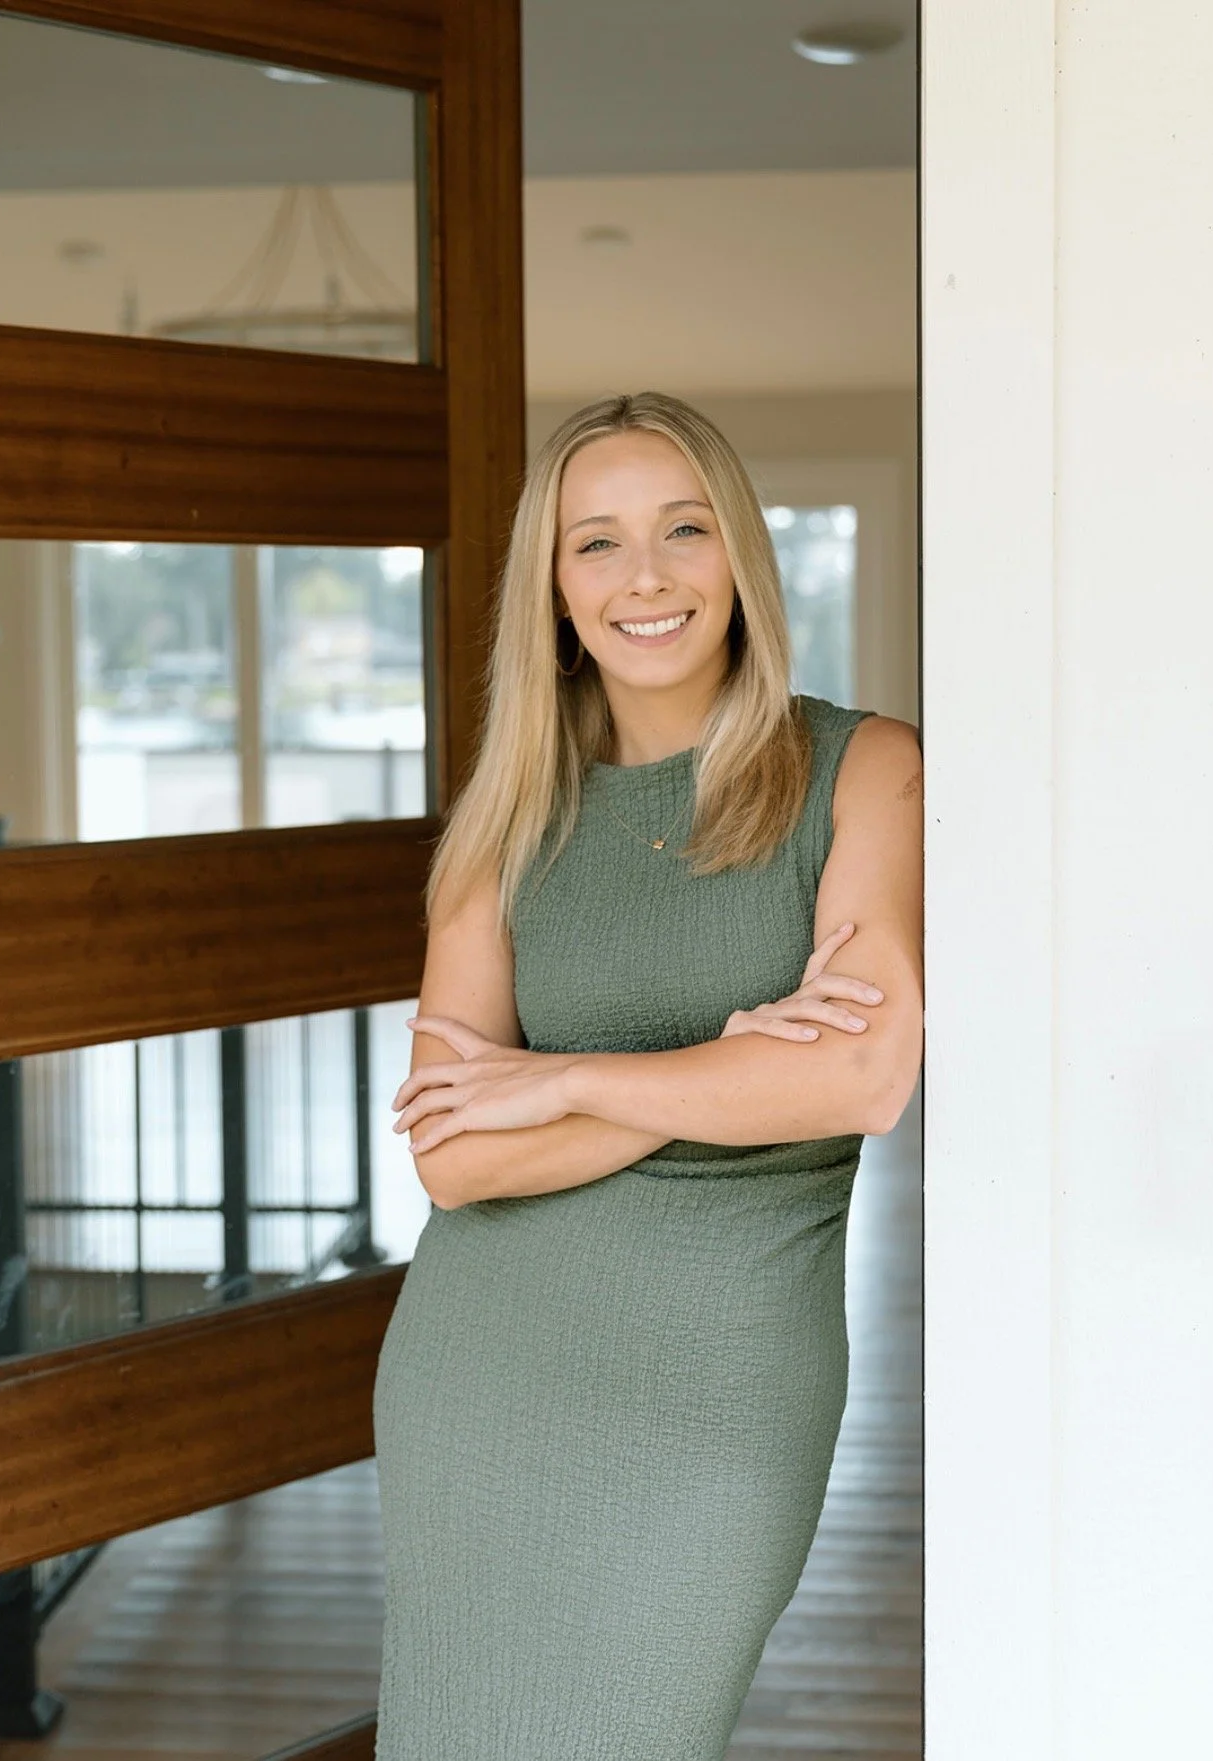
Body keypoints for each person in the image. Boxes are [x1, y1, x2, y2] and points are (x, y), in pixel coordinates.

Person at [371, 390, 923, 1760]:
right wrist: (725, 1067)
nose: (646, 577)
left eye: (682, 530)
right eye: (595, 544)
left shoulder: (865, 770)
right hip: (484, 1376)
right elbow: (455, 1158)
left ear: (738, 554)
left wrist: (559, 1082)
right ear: (552, 592)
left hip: (721, 1388)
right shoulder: (505, 820)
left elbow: (855, 1077)